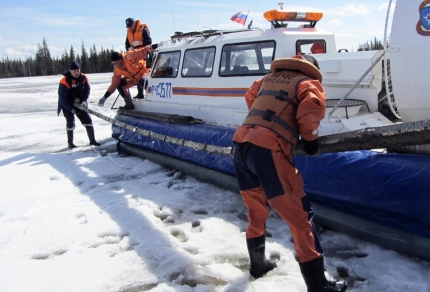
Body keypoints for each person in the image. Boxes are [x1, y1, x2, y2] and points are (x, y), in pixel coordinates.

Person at [232, 55, 347, 292]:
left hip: (241, 142)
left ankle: (258, 264)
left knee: (256, 208)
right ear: (312, 68)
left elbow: (250, 96)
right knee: (301, 216)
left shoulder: (267, 79)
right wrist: (311, 142)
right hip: (267, 150)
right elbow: (310, 111)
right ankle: (319, 286)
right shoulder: (307, 83)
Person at [98, 44, 158, 110]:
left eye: (116, 63)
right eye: (113, 63)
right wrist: (105, 97)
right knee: (119, 85)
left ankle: (156, 101)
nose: (115, 65)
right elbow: (114, 84)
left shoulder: (130, 56)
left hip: (145, 72)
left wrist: (153, 47)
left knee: (143, 81)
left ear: (120, 59)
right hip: (134, 78)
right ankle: (129, 104)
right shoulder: (117, 70)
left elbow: (143, 51)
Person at [58, 60, 100, 148]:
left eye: (78, 70)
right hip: (67, 104)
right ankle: (70, 143)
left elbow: (87, 89)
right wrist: (71, 109)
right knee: (70, 122)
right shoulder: (64, 81)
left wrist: (84, 100)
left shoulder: (83, 77)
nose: (77, 73)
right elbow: (62, 99)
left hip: (80, 102)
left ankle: (92, 141)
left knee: (88, 121)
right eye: (74, 71)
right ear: (70, 71)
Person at [125, 17, 153, 99]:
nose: (130, 28)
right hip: (135, 56)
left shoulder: (143, 29)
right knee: (136, 74)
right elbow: (127, 44)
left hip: (144, 54)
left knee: (145, 74)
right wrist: (129, 49)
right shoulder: (129, 32)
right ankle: (140, 93)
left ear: (134, 23)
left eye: (131, 26)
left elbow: (149, 41)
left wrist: (140, 42)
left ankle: (150, 93)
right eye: (128, 27)